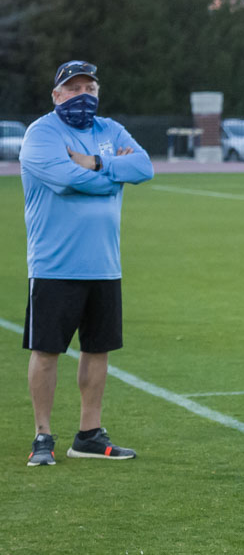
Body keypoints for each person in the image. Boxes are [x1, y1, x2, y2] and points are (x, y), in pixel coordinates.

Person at [19, 60, 154, 466]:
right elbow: (64, 178)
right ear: (57, 94)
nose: (82, 96)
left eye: (89, 89)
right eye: (73, 88)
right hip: (54, 265)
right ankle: (43, 435)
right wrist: (114, 173)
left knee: (98, 350)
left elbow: (144, 167)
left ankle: (89, 434)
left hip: (104, 265)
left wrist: (95, 162)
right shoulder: (41, 133)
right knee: (46, 352)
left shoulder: (109, 130)